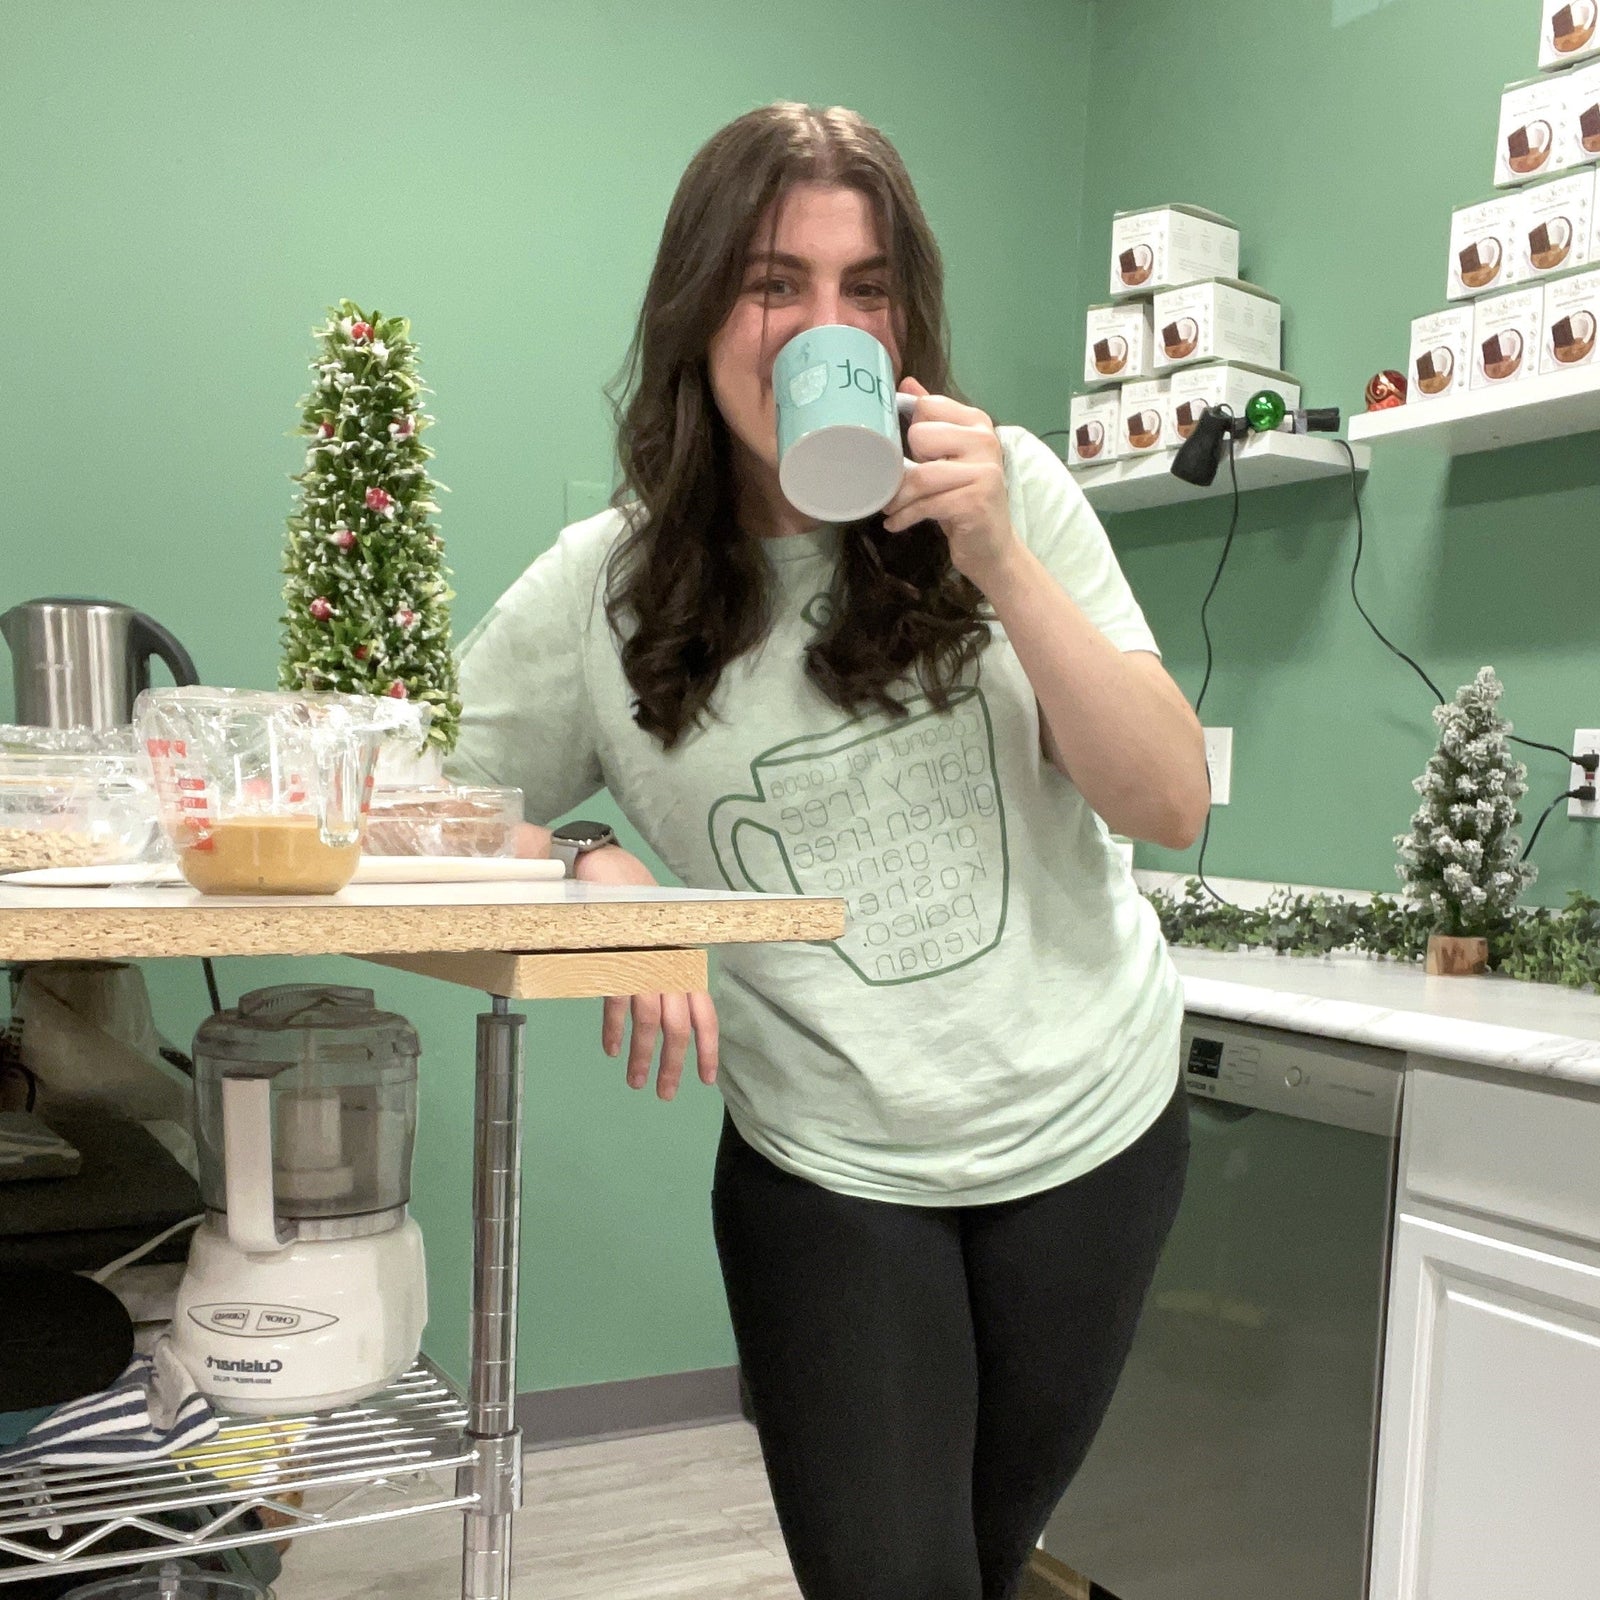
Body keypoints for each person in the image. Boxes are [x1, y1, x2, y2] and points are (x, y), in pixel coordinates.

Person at [449, 101, 1208, 1600]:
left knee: (979, 1564)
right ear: (697, 314)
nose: (823, 328)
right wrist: (588, 865)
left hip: (1094, 1139)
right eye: (773, 284)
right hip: (829, 1169)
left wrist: (1000, 560)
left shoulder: (1012, 495)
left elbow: (1169, 800)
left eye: (866, 289)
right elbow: (412, 808)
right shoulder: (600, 591)